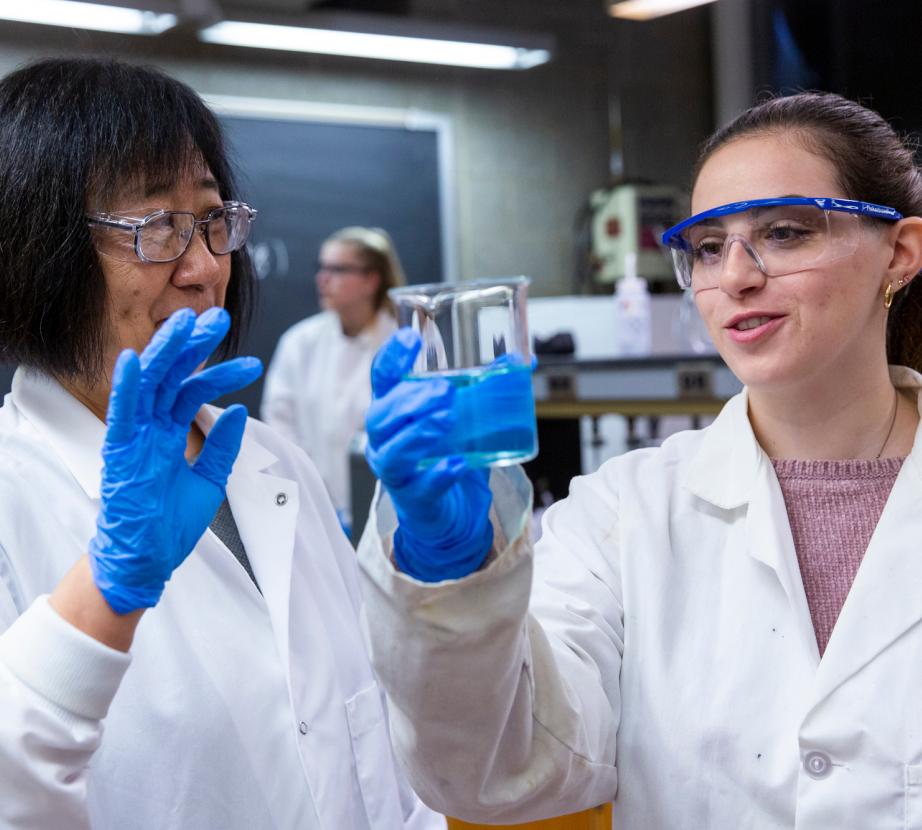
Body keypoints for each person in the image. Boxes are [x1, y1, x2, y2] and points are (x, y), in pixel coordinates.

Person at [356, 91, 922, 827]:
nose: (737, 276)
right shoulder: (623, 515)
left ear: (902, 252)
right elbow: (501, 769)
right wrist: (453, 580)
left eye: (784, 233)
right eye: (709, 247)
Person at [0, 57, 443, 830]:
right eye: (159, 228)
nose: (206, 268)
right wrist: (101, 597)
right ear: (36, 252)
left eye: (211, 221)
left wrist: (437, 567)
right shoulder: (13, 497)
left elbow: (377, 742)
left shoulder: (269, 461)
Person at [261, 227, 404, 536]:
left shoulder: (402, 346)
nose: (322, 279)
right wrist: (312, 497)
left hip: (392, 515)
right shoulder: (300, 342)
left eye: (337, 269)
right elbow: (279, 427)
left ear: (371, 280)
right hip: (313, 512)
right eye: (322, 268)